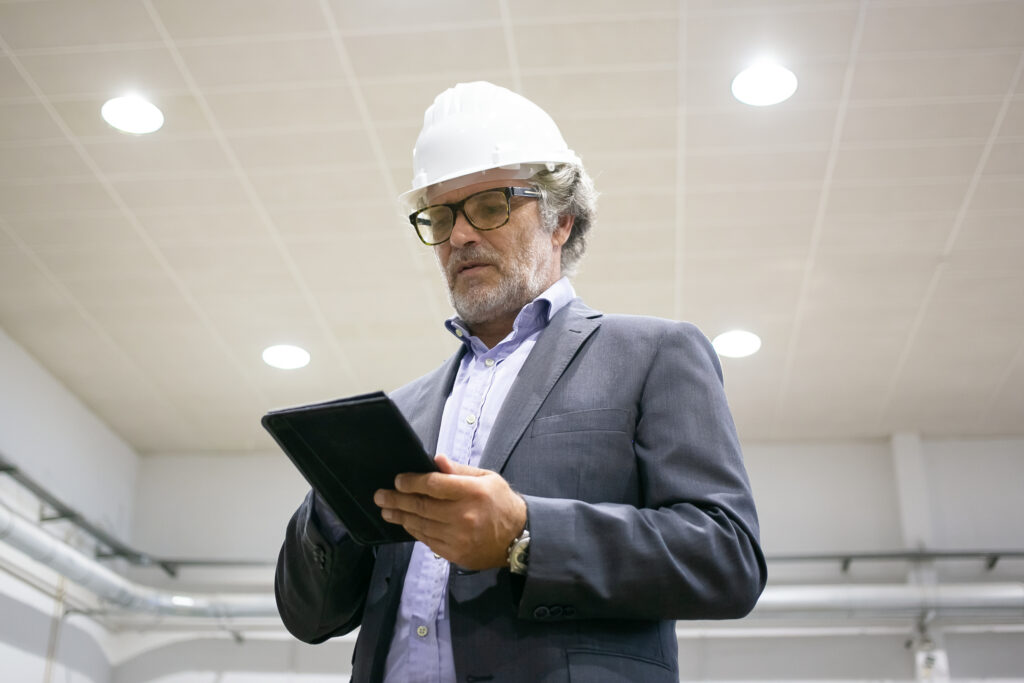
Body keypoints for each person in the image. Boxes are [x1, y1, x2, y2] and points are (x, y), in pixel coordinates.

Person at [275, 81, 766, 683]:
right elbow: (307, 617)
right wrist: (332, 501)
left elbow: (726, 558)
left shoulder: (653, 354)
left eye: (489, 206)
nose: (459, 236)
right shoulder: (401, 414)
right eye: (440, 216)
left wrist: (524, 536)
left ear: (561, 220)